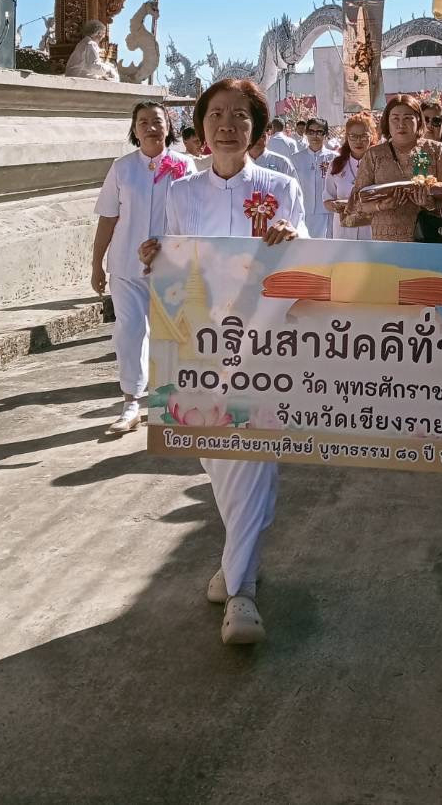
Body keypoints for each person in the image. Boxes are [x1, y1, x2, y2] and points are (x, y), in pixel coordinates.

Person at [139, 77, 308, 646]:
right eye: (216, 115)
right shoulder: (183, 193)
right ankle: (240, 562)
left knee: (253, 456)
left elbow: (307, 254)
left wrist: (292, 236)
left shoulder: (283, 186)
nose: (228, 125)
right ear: (202, 127)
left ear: (256, 127)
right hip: (204, 352)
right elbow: (173, 264)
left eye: (240, 115)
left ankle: (241, 596)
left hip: (266, 351)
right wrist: (153, 255)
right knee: (220, 460)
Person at [91, 101, 194, 435]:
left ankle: (170, 403)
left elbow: (195, 216)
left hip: (173, 267)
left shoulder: (185, 166)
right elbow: (108, 217)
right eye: (143, 122)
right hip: (126, 265)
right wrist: (96, 264)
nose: (151, 127)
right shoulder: (122, 169)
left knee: (173, 335)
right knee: (131, 330)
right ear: (134, 130)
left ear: (169, 126)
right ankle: (131, 401)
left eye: (157, 121)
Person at [350, 94, 442, 241]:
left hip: (426, 237)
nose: (401, 124)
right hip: (385, 240)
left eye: (408, 118)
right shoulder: (374, 154)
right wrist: (380, 205)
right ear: (387, 122)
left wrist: (429, 203)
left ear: (418, 120)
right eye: (395, 118)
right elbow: (357, 201)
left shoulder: (434, 150)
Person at [323, 113, 376, 239]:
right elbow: (327, 199)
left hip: (371, 231)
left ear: (372, 136)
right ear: (347, 137)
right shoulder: (337, 164)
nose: (358, 141)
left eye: (364, 136)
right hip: (343, 232)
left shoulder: (379, 163)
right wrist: (337, 206)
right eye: (353, 136)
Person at [292, 118, 336, 236]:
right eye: (311, 132)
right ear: (306, 133)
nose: (315, 136)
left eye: (319, 132)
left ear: (325, 134)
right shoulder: (296, 159)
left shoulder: (334, 158)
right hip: (304, 212)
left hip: (327, 213)